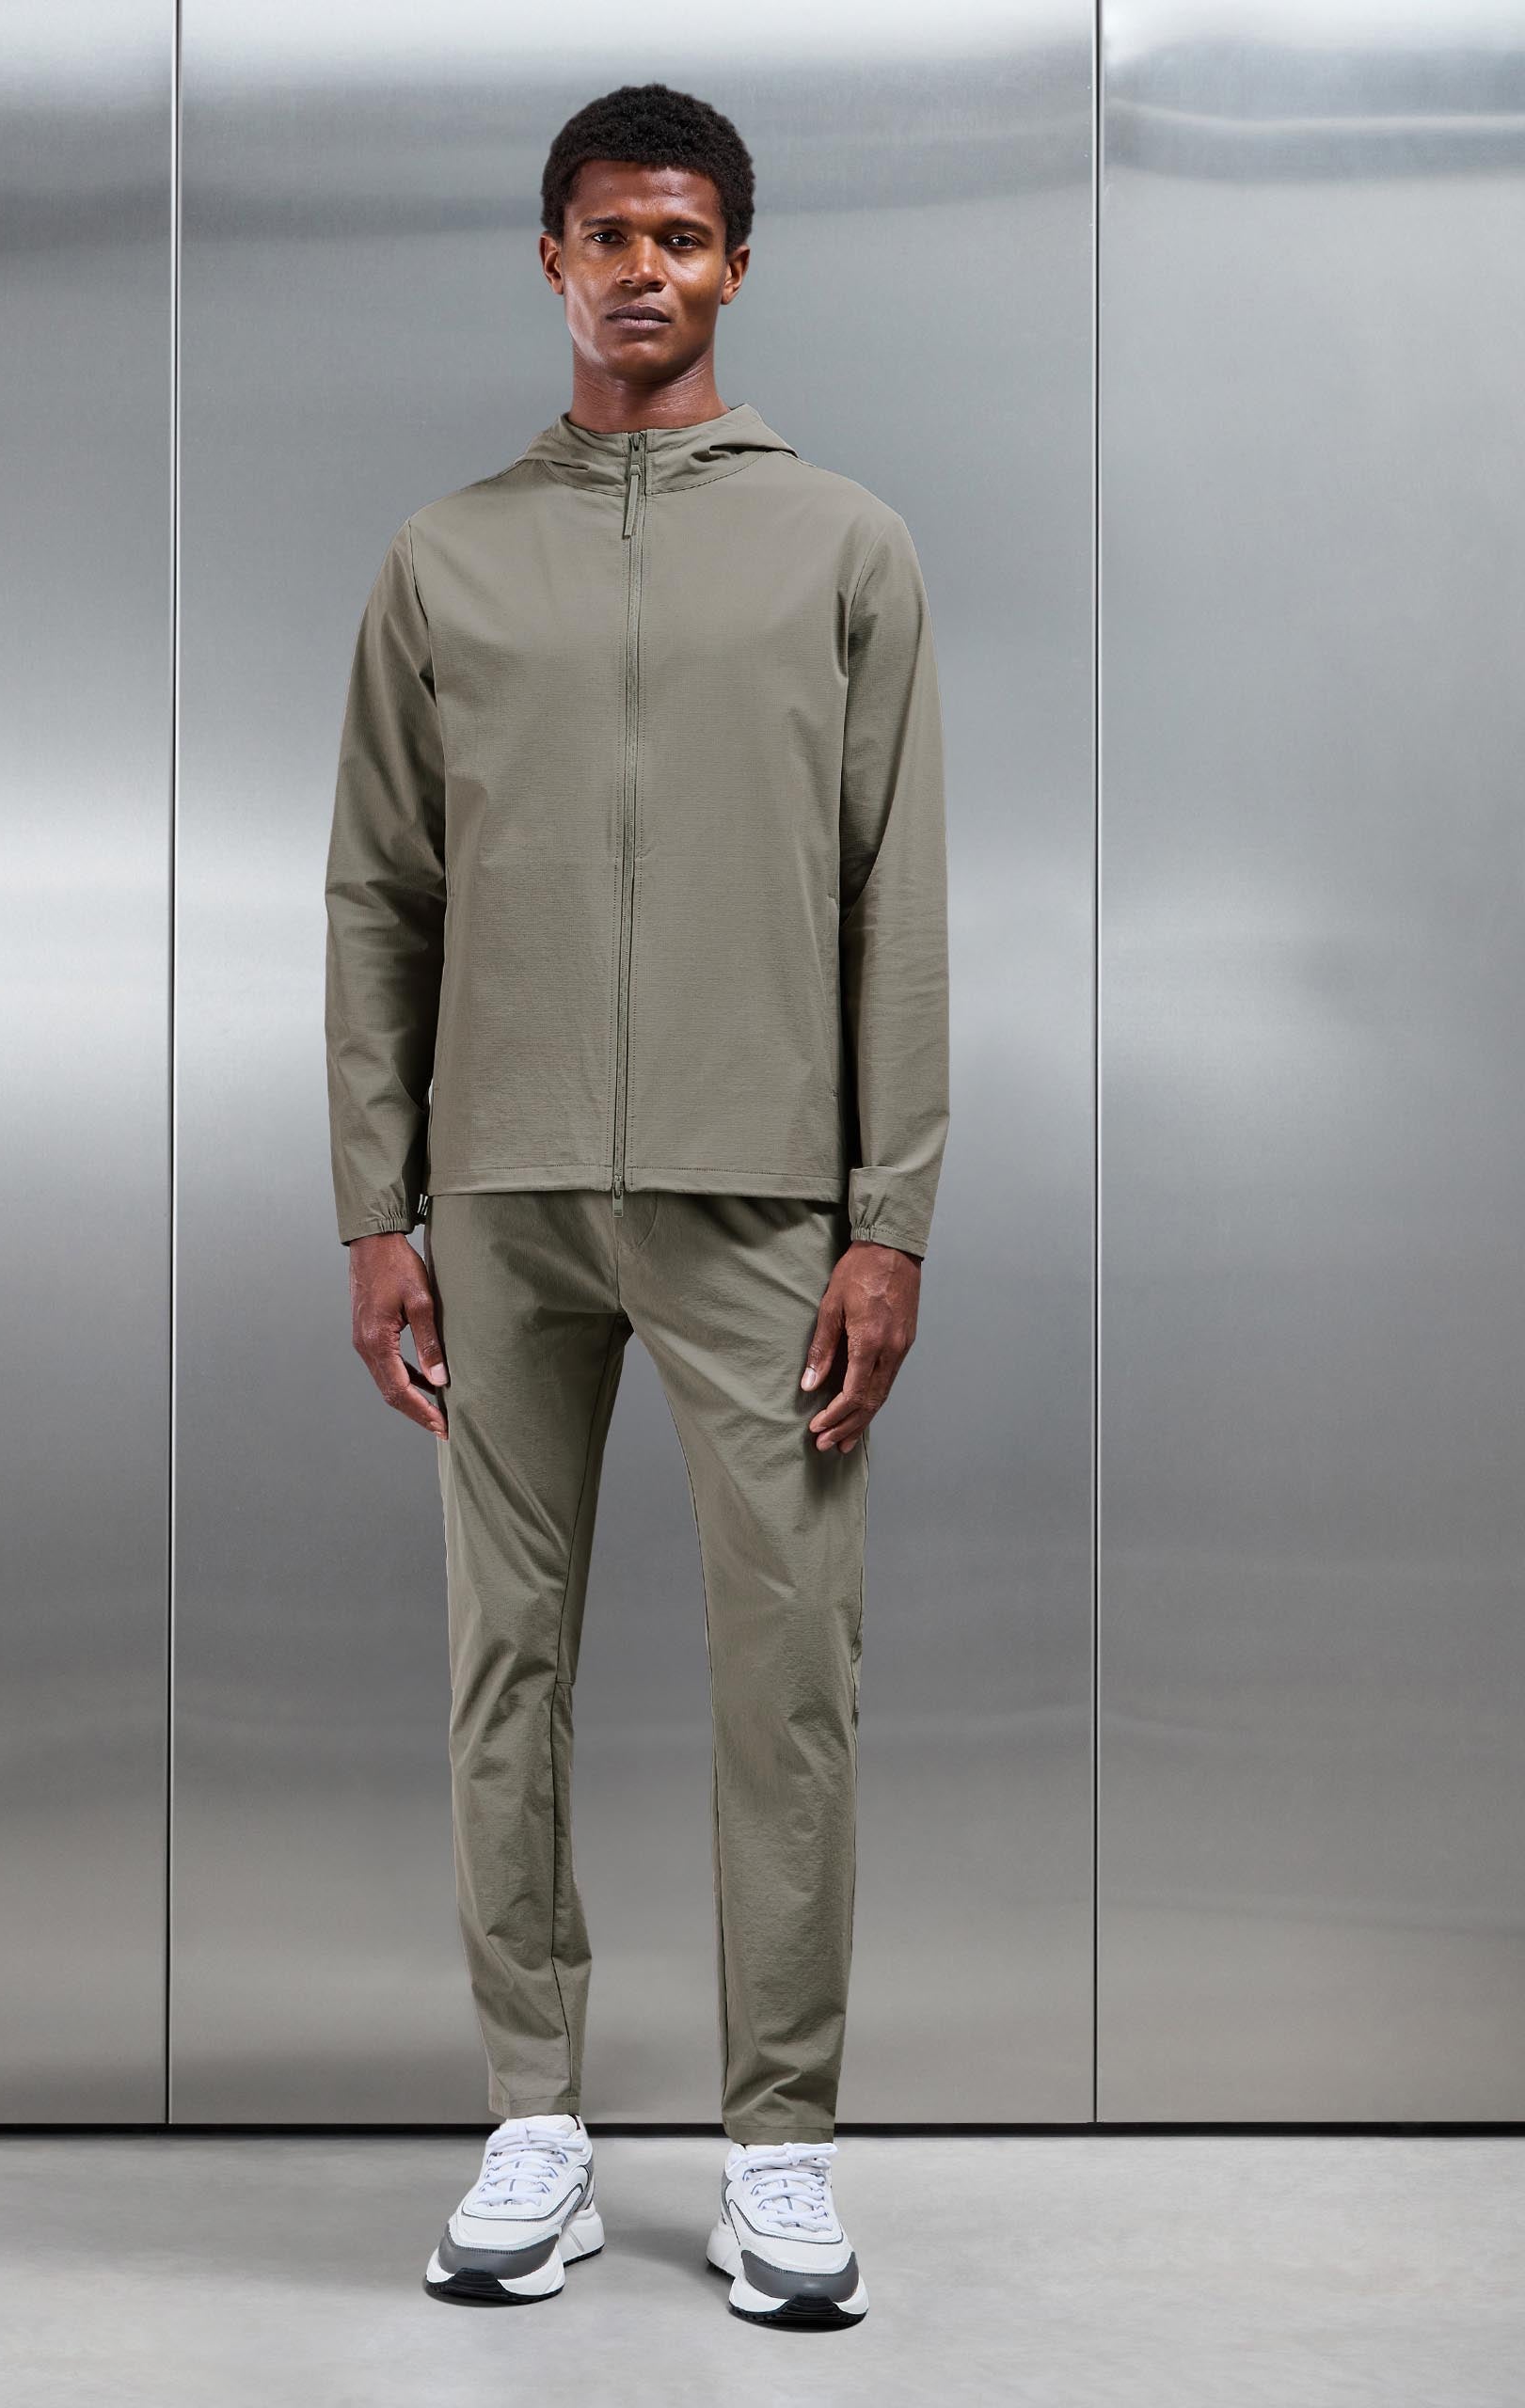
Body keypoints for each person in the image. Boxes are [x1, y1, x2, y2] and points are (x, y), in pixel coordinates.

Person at [325, 79, 947, 2332]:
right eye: (608, 233)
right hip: (498, 1193)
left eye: (683, 235)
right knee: (506, 1656)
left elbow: (896, 895)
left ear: (736, 267)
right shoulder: (445, 557)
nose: (645, 268)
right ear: (554, 260)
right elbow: (380, 892)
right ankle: (537, 2114)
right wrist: (374, 1206)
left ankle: (781, 2142)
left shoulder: (844, 548)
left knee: (791, 1671)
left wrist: (888, 1213)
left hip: (760, 1196)